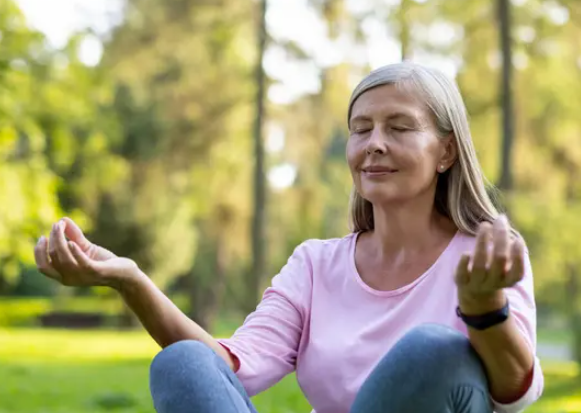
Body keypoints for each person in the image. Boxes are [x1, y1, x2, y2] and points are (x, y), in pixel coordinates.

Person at [35, 62, 543, 413]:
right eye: (361, 128)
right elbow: (232, 367)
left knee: (433, 350)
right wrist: (131, 281)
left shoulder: (486, 253)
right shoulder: (316, 265)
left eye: (400, 127)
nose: (375, 144)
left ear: (447, 152)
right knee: (184, 362)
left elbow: (515, 392)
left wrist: (483, 310)